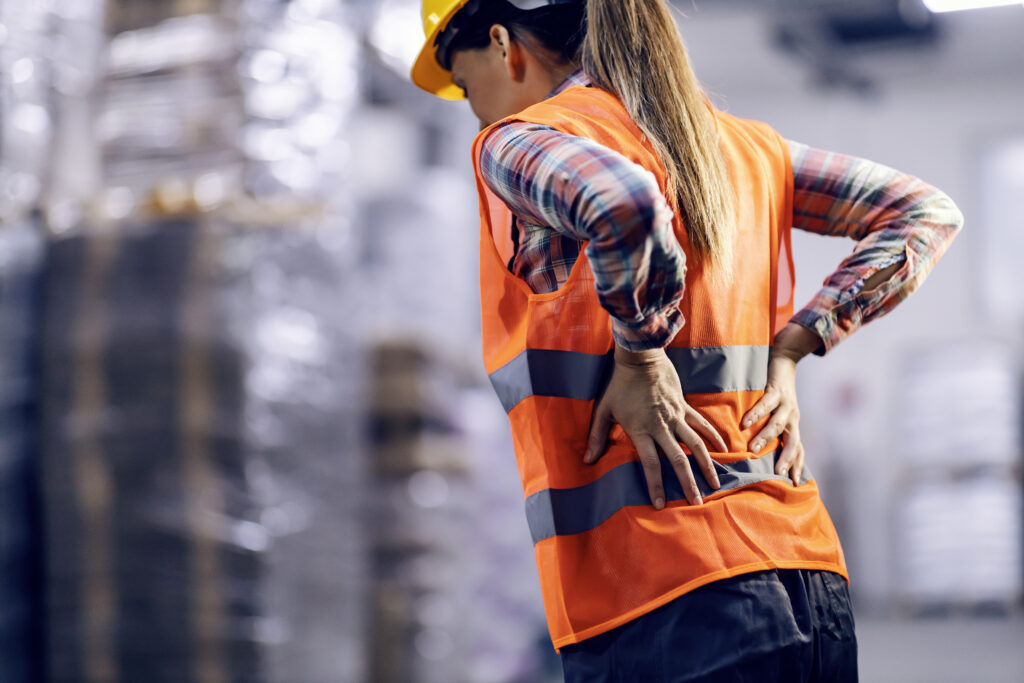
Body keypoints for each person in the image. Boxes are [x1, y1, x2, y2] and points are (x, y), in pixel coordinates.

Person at [410, 1, 964, 681]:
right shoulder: (745, 148)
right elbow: (923, 213)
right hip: (807, 579)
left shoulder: (517, 142)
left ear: (502, 44)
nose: (475, 113)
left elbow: (623, 204)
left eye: (465, 85)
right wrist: (795, 344)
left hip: (663, 597)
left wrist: (641, 356)